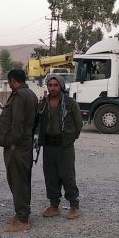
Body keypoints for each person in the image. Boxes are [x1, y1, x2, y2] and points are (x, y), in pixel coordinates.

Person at [0, 69, 38, 233]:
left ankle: (23, 219)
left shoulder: (19, 96)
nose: (10, 85)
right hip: (25, 144)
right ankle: (21, 214)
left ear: (13, 80)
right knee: (22, 180)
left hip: (17, 146)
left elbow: (18, 122)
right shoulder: (31, 94)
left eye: (9, 82)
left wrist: (13, 142)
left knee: (17, 181)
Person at [37, 75, 83, 220]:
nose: (52, 88)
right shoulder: (43, 103)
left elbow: (78, 124)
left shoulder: (70, 103)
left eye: (55, 85)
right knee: (50, 176)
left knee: (67, 175)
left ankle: (74, 206)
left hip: (64, 146)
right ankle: (54, 206)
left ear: (61, 86)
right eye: (50, 85)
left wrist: (70, 138)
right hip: (49, 146)